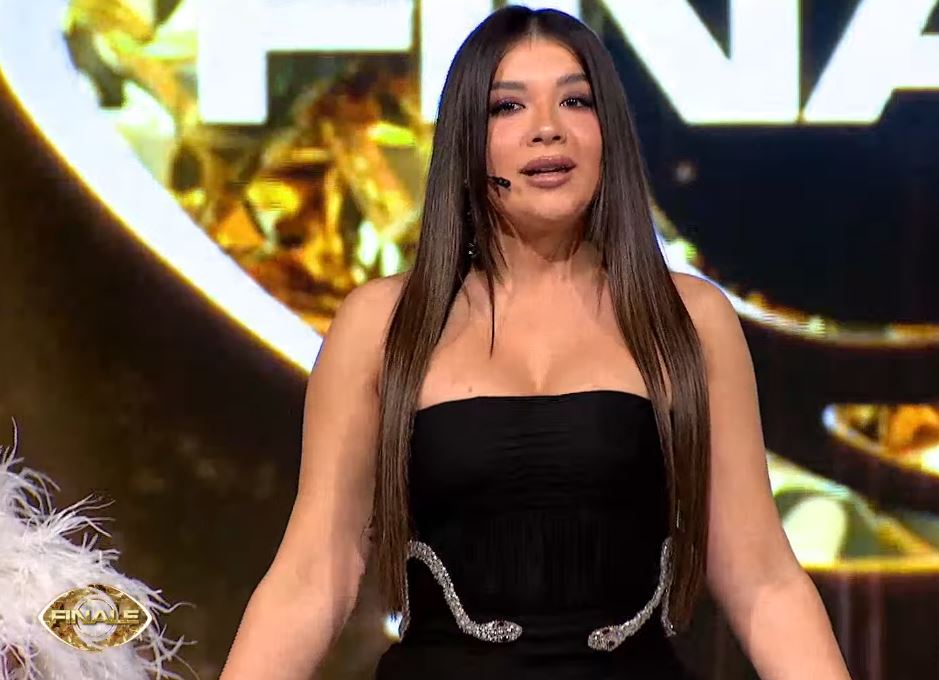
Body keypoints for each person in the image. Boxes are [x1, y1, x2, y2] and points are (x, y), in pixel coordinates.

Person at [220, 6, 850, 680]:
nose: (547, 128)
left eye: (575, 101)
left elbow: (762, 580)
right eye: (508, 106)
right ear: (467, 140)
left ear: (609, 132)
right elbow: (313, 575)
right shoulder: (382, 324)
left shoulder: (688, 319)